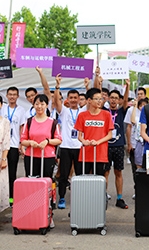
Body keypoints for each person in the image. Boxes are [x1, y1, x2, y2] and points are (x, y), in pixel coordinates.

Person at [0, 77, 27, 205]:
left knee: (11, 172)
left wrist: (21, 144)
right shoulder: (2, 107)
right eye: (10, 94)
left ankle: (11, 197)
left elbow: (22, 128)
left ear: (17, 96)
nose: (12, 97)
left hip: (14, 145)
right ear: (6, 96)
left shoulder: (21, 110)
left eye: (14, 95)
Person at [52, 74, 86, 209]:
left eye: (75, 98)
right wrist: (57, 86)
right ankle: (61, 198)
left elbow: (93, 97)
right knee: (63, 175)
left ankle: (80, 198)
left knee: (80, 174)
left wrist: (88, 86)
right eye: (70, 98)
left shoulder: (83, 111)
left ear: (79, 99)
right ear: (67, 99)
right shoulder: (64, 111)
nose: (73, 100)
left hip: (79, 146)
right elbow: (56, 101)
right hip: (65, 146)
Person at [74, 88, 113, 176]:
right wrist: (84, 141)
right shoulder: (82, 115)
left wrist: (98, 142)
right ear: (89, 100)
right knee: (84, 179)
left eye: (100, 99)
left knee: (99, 180)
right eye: (96, 99)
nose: (99, 101)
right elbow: (79, 135)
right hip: (86, 154)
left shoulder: (106, 114)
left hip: (100, 154)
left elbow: (110, 135)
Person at [104, 85, 130, 209]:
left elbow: (126, 100)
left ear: (119, 100)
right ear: (108, 99)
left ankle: (119, 198)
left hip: (119, 145)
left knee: (118, 172)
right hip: (106, 145)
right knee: (105, 172)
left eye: (116, 98)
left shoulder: (121, 111)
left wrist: (128, 86)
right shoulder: (104, 111)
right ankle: (103, 196)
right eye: (112, 97)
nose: (113, 100)